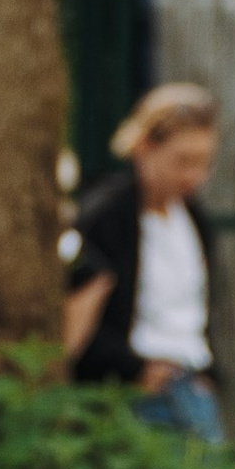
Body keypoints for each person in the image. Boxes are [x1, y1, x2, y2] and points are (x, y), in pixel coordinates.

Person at [63, 81, 226, 440]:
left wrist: (209, 373)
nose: (194, 176)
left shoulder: (194, 219)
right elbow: (83, 311)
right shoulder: (107, 215)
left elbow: (200, 308)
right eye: (183, 161)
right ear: (144, 148)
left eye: (204, 163)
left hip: (192, 385)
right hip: (134, 392)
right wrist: (133, 369)